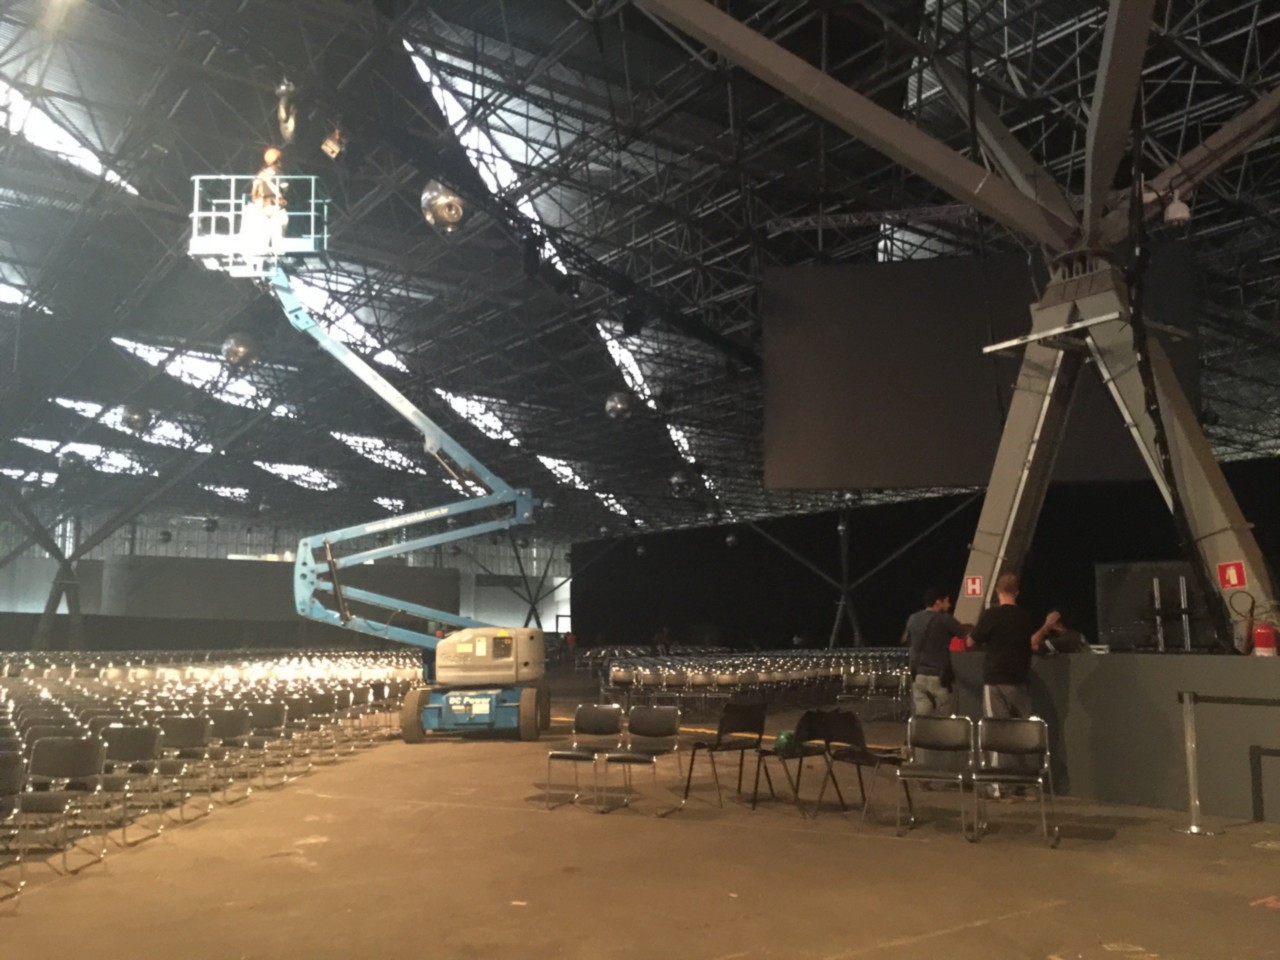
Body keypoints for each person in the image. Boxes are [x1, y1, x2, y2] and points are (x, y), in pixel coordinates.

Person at [969, 572, 1060, 797]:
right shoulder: (1024, 616)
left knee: (997, 732)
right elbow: (1031, 643)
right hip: (1019, 679)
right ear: (1017, 592)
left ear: (997, 591)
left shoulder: (991, 615)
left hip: (995, 679)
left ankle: (1000, 786)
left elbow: (972, 641)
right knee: (1025, 732)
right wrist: (1047, 626)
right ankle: (1030, 784)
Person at [901, 587, 968, 719]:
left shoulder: (913, 618)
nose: (949, 605)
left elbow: (906, 640)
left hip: (919, 676)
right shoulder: (945, 619)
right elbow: (966, 636)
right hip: (939, 677)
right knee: (943, 718)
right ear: (938, 602)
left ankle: (921, 732)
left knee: (922, 718)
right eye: (947, 601)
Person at [244, 146, 288, 259]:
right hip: (275, 205)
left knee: (263, 231)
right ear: (278, 161)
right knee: (279, 227)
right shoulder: (278, 172)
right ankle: (277, 254)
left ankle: (263, 252)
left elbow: (254, 192)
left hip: (261, 205)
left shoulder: (260, 174)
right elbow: (285, 187)